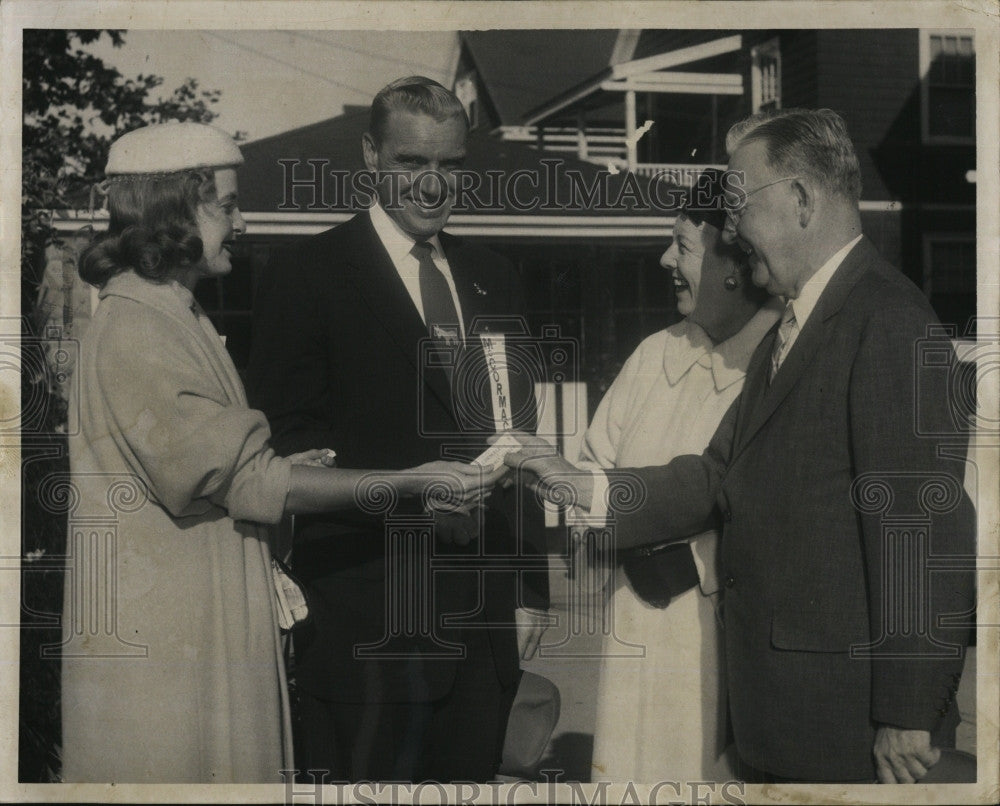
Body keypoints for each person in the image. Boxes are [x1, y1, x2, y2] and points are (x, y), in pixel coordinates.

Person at [504, 108, 975, 784]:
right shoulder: (798, 326)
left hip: (853, 726)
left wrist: (907, 712)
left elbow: (922, 531)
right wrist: (584, 487)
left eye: (738, 205)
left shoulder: (888, 321)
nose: (730, 231)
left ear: (802, 201)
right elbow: (716, 474)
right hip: (783, 714)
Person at [60, 121, 493, 784]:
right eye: (227, 206)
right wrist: (407, 482)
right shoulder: (139, 326)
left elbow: (231, 465)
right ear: (175, 209)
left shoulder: (173, 311)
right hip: (167, 650)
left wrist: (296, 470)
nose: (241, 223)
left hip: (194, 629)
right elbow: (251, 479)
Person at [246, 76, 550, 782]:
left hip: (481, 631)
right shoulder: (309, 276)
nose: (433, 185)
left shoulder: (493, 277)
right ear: (371, 156)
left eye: (450, 165)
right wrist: (407, 499)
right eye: (413, 163)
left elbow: (519, 434)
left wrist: (531, 582)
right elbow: (285, 462)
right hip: (368, 630)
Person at [574, 170, 781, 783]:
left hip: (721, 646)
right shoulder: (654, 353)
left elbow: (778, 510)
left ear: (733, 264)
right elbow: (593, 465)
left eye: (684, 246)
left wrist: (697, 562)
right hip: (632, 629)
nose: (666, 259)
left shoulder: (778, 364)